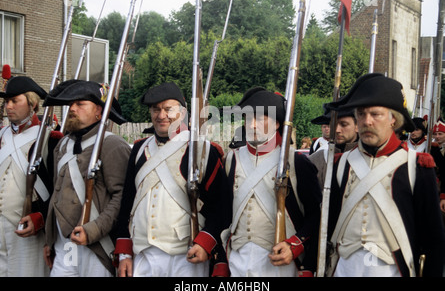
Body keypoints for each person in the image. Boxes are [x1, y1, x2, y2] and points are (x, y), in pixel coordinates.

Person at [325, 73, 445, 277]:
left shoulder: (417, 166)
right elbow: (327, 225)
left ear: (393, 120)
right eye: (361, 114)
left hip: (392, 270)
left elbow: (433, 238)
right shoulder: (341, 164)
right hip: (344, 268)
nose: (366, 121)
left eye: (375, 114)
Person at [114, 81, 231, 277]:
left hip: (186, 256)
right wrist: (124, 251)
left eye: (168, 109)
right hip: (142, 253)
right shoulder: (139, 149)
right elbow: (127, 201)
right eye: (155, 109)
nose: (161, 116)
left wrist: (206, 241)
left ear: (182, 113)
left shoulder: (203, 151)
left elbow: (222, 205)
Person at [222, 87, 322, 277]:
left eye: (260, 119)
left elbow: (315, 215)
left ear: (277, 123)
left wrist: (295, 245)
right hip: (237, 259)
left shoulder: (296, 162)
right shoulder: (231, 160)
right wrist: (220, 260)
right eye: (248, 119)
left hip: (281, 263)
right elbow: (223, 211)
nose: (252, 125)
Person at [42, 80, 131, 277]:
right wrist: (50, 239)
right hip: (65, 244)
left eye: (80, 104)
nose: (72, 108)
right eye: (71, 104)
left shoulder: (112, 145)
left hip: (96, 245)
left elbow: (122, 198)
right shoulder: (63, 144)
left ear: (98, 110)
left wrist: (93, 229)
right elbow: (55, 195)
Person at [0, 76, 61, 276]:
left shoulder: (50, 140)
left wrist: (41, 217)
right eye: (6, 101)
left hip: (28, 228)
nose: (8, 106)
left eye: (14, 101)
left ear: (32, 103)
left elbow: (58, 189)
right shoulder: (2, 136)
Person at [309, 107, 358, 187]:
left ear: (357, 126)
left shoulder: (369, 159)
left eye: (344, 124)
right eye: (333, 124)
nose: (337, 130)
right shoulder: (315, 160)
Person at [430, 118, 445, 218]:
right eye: (435, 134)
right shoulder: (430, 148)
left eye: (440, 134)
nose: (437, 137)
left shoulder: (434, 149)